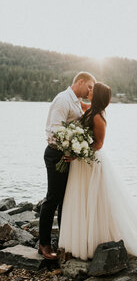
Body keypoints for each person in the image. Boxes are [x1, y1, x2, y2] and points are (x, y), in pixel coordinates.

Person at [58, 82, 137, 261]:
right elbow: (76, 105)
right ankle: (82, 238)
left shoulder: (98, 117)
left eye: (92, 90)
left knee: (96, 202)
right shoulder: (90, 109)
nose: (89, 91)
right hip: (82, 163)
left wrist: (78, 152)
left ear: (98, 95)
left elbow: (99, 144)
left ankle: (97, 240)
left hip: (91, 163)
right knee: (83, 198)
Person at [39, 71, 96, 259]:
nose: (90, 90)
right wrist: (71, 148)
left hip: (67, 156)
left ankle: (64, 241)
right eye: (89, 86)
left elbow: (95, 108)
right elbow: (55, 129)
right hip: (57, 154)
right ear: (79, 82)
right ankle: (44, 244)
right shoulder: (63, 100)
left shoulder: (75, 101)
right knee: (53, 198)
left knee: (66, 199)